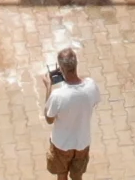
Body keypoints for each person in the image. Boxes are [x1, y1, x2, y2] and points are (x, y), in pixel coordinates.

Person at [42, 46, 99, 177]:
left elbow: (49, 119)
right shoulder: (91, 86)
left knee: (61, 175)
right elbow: (93, 100)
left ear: (61, 69)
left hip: (61, 144)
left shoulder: (57, 95)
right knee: (77, 176)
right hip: (82, 142)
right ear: (76, 65)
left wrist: (48, 88)